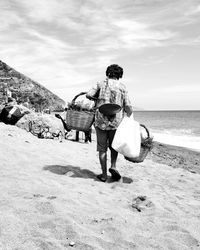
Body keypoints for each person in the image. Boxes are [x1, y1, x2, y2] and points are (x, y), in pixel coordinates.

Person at [86, 64, 133, 182]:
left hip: (100, 120)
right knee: (113, 147)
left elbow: (88, 94)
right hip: (116, 122)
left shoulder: (100, 84)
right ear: (119, 75)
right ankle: (113, 166)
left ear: (108, 73)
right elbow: (128, 106)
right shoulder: (122, 87)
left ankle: (103, 175)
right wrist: (129, 115)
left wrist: (98, 99)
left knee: (102, 149)